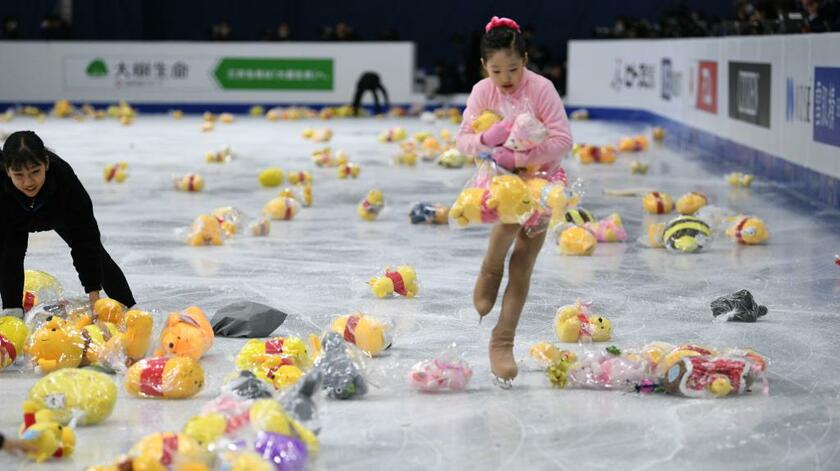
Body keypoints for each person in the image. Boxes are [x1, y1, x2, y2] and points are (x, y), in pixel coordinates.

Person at [456, 16, 573, 387]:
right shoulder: (481, 92)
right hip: (502, 180)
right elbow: (462, 140)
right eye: (496, 70)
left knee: (525, 258)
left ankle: (502, 340)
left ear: (525, 59)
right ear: (483, 67)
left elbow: (563, 140)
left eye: (513, 68)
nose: (505, 78)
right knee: (507, 221)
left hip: (543, 180)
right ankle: (490, 269)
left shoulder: (541, 89)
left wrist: (521, 158)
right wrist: (487, 141)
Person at [0, 131, 136, 318]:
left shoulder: (65, 180)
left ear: (46, 164)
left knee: (97, 254)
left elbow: (86, 241)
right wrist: (11, 307)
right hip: (13, 217)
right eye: (18, 175)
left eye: (35, 172)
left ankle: (129, 310)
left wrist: (94, 299)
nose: (28, 182)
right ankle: (11, 315)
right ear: (7, 171)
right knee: (8, 254)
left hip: (56, 212)